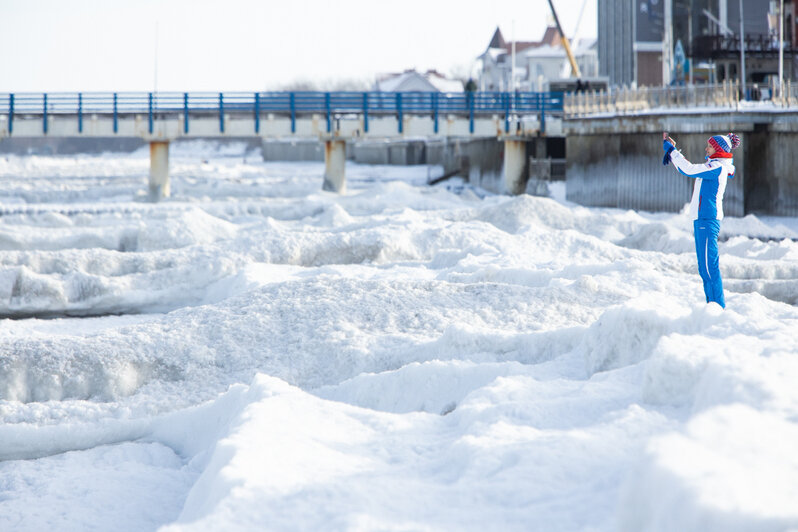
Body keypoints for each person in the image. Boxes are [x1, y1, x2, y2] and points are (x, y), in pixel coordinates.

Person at [662, 131, 741, 309]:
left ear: (719, 149)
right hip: (702, 220)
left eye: (710, 146)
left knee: (709, 268)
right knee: (704, 269)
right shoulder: (713, 166)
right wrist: (673, 153)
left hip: (707, 220)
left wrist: (673, 151)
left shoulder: (717, 167)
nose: (706, 148)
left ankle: (718, 308)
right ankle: (711, 307)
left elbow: (688, 169)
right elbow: (688, 169)